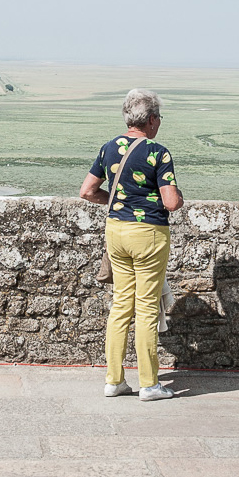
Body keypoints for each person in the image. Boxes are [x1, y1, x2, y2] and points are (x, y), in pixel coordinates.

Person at [78, 89, 184, 402]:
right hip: (149, 234)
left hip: (116, 231)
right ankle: (150, 384)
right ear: (151, 120)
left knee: (121, 304)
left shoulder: (108, 148)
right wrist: (176, 198)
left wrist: (115, 201)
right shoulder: (158, 152)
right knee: (147, 307)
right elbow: (171, 201)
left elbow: (87, 191)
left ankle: (114, 380)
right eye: (159, 117)